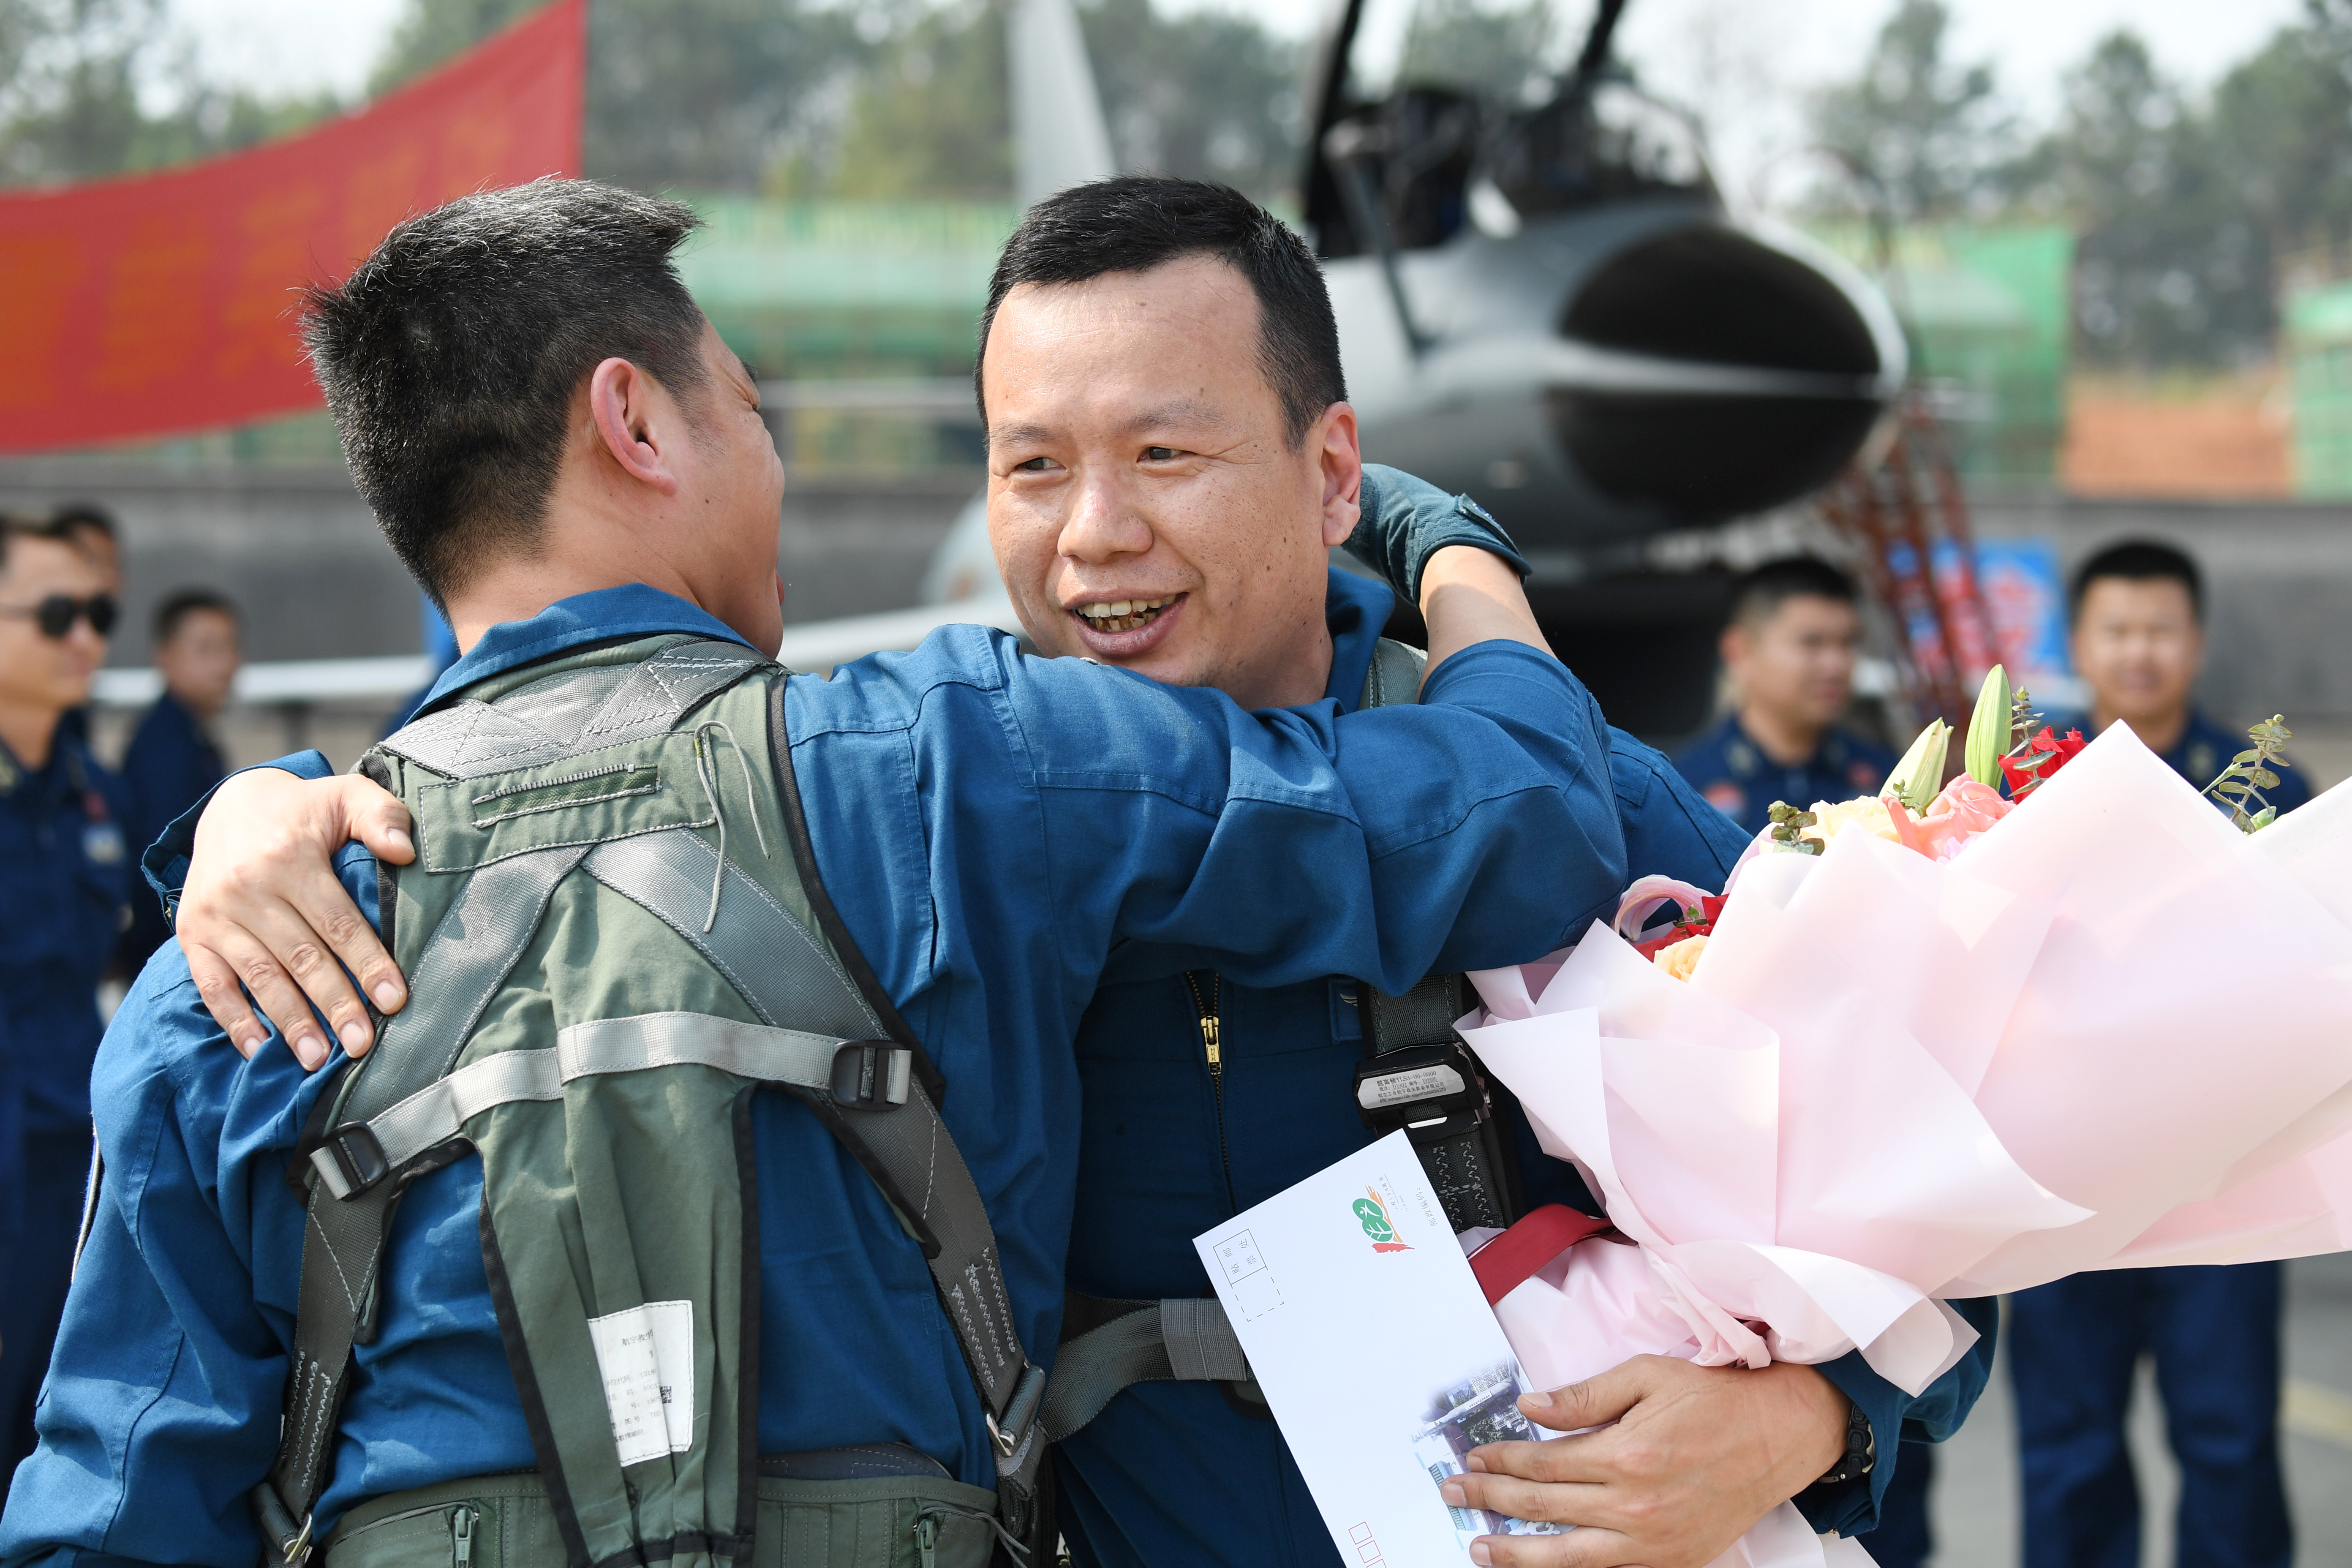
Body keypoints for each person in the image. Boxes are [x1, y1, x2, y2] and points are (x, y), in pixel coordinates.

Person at [53, 179, 1993, 1568]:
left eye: (1162, 451)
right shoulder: (948, 801)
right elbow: (569, 779)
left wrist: (1801, 1420)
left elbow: (1955, 1201)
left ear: (1329, 474)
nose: (1091, 537)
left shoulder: (1568, 795)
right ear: (637, 421)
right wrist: (271, 804)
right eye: (1027, 466)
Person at [2004, 538, 2307, 1568]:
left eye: (2160, 629)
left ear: (2196, 640)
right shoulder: (2032, 787)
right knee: (2068, 1443)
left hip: (2227, 1175)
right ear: (2080, 642)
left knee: (2227, 1435)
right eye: (2117, 629)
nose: (2139, 651)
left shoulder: (2269, 783)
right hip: (2068, 1181)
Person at [0, 515, 131, 1492]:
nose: (86, 638)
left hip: (74, 1157)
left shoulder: (93, 790)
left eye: (99, 614)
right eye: (57, 615)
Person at [1673, 556, 1895, 834]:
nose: (1836, 665)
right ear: (1739, 652)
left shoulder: (1884, 782)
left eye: (1847, 643)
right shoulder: (1686, 790)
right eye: (1811, 643)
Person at [118, 590, 240, 969]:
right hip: (173, 954)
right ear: (165, 657)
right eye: (205, 649)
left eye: (231, 647)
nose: (225, 664)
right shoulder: (165, 749)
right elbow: (165, 866)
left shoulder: (190, 736)